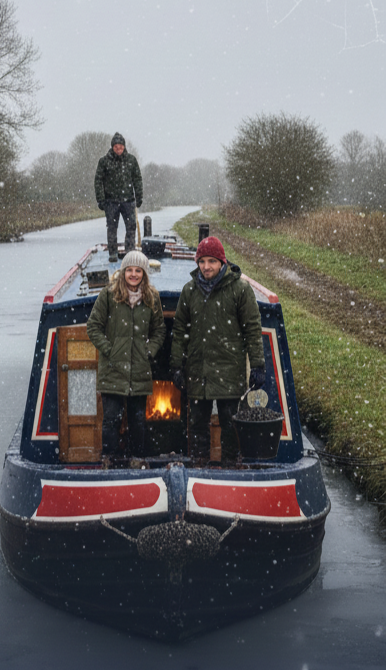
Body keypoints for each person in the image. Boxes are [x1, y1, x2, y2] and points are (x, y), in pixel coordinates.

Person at [169, 236, 265, 466]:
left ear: (222, 262)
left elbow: (252, 328)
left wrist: (258, 365)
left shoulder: (240, 289)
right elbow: (180, 329)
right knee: (197, 423)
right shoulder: (189, 290)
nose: (206, 267)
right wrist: (176, 365)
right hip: (198, 369)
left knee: (230, 422)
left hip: (229, 370)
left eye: (211, 261)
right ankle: (199, 464)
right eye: (202, 261)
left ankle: (230, 465)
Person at [86, 249, 166, 462]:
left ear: (144, 273)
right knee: (111, 419)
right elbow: (93, 326)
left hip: (139, 370)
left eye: (137, 270)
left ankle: (136, 460)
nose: (133, 274)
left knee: (138, 420)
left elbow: (159, 330)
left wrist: (149, 351)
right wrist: (110, 350)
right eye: (129, 270)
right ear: (123, 272)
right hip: (112, 370)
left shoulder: (152, 297)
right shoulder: (109, 295)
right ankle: (109, 460)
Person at [94, 132, 144, 263]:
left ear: (124, 147)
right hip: (111, 202)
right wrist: (100, 199)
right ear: (112, 147)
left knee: (131, 227)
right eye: (116, 146)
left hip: (128, 201)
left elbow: (137, 179)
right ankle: (113, 254)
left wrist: (139, 197)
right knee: (112, 228)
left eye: (121, 146)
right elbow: (98, 181)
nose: (119, 149)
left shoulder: (131, 160)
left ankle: (130, 253)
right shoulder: (104, 162)